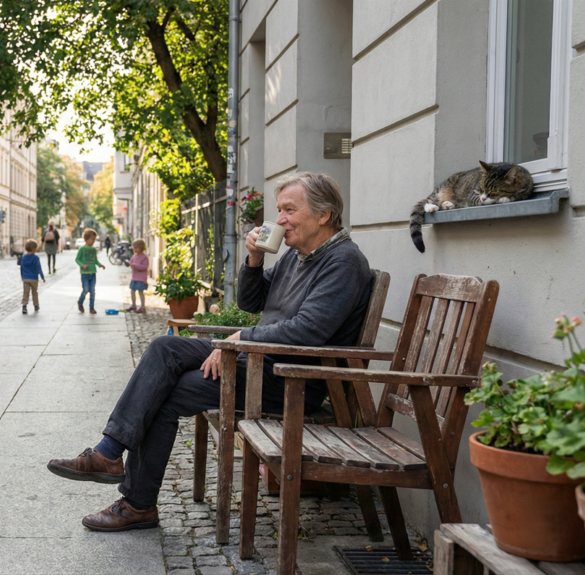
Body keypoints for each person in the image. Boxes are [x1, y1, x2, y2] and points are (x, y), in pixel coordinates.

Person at [46, 172, 373, 532]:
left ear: (323, 215)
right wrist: (253, 259)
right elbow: (252, 302)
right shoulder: (299, 256)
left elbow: (309, 331)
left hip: (292, 379)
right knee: (164, 347)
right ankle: (109, 454)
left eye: (288, 210)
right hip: (260, 363)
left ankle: (134, 499)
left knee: (165, 393)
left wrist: (237, 340)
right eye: (279, 210)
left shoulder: (342, 261)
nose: (278, 219)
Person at [75, 229, 106, 314]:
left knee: (92, 291)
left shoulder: (93, 249)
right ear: (86, 238)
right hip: (84, 274)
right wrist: (82, 265)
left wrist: (100, 265)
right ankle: (80, 302)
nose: (93, 241)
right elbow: (77, 259)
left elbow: (95, 260)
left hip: (93, 273)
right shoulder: (82, 249)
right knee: (86, 289)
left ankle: (91, 307)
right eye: (92, 239)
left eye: (94, 239)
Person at [18, 239, 46, 314]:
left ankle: (24, 306)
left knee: (25, 293)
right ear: (34, 249)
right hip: (34, 278)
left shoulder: (23, 258)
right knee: (35, 292)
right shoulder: (36, 258)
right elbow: (39, 268)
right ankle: (36, 305)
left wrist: (22, 277)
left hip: (26, 278)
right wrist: (42, 277)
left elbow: (21, 268)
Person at [126, 239, 149, 313]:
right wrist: (128, 264)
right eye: (134, 248)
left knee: (140, 292)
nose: (135, 249)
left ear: (141, 248)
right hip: (134, 278)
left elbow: (144, 267)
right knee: (132, 291)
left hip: (141, 278)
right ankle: (133, 305)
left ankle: (142, 306)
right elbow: (131, 262)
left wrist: (135, 266)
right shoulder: (133, 256)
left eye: (136, 248)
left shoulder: (144, 257)